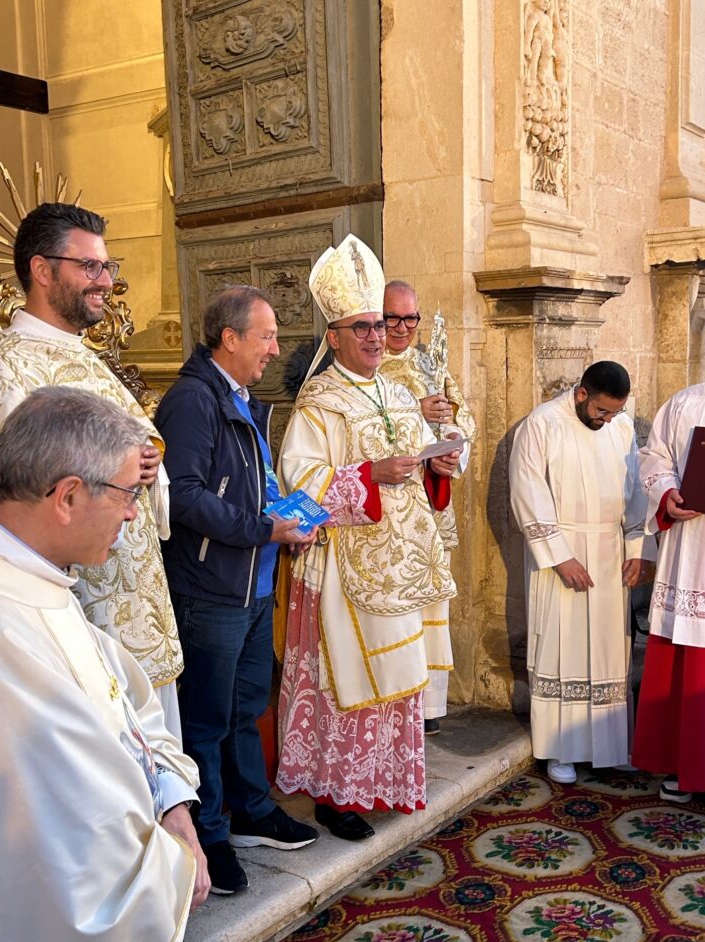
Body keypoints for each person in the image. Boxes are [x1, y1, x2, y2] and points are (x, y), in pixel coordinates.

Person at [0, 387, 209, 942]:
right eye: (128, 492)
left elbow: (125, 701)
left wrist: (174, 803)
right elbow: (72, 830)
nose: (135, 513)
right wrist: (174, 867)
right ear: (69, 496)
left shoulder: (33, 578)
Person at [0, 202, 184, 736]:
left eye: (107, 267)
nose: (105, 282)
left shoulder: (91, 361)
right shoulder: (3, 372)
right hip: (74, 618)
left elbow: (131, 460)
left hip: (136, 604)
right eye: (89, 267)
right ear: (42, 271)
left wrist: (149, 465)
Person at [275, 234, 462, 840]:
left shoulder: (396, 391)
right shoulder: (318, 402)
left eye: (380, 325)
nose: (377, 337)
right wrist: (366, 477)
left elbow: (414, 462)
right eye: (362, 328)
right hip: (341, 569)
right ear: (334, 336)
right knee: (349, 680)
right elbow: (297, 481)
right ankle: (337, 795)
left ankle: (382, 782)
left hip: (398, 567)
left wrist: (437, 465)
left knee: (395, 678)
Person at [154, 285, 319, 895]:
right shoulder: (193, 401)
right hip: (211, 588)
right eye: (267, 336)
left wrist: (284, 523)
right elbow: (185, 496)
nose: (275, 349)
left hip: (251, 583)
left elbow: (251, 480)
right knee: (206, 720)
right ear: (229, 339)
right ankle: (211, 832)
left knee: (246, 707)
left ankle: (250, 809)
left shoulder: (239, 397)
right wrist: (259, 529)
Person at [509, 361, 655, 783]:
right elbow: (527, 489)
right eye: (602, 411)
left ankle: (611, 747)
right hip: (562, 555)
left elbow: (635, 491)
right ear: (581, 394)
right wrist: (558, 555)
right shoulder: (541, 424)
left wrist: (637, 549)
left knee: (610, 652)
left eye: (615, 413)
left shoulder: (621, 427)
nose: (607, 420)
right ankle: (561, 751)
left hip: (610, 554)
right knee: (563, 644)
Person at [379, 279, 476, 733]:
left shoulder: (428, 363)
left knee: (433, 605)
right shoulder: (369, 368)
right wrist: (415, 412)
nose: (401, 328)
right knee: (400, 607)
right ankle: (399, 698)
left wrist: (453, 449)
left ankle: (430, 705)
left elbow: (462, 420)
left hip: (433, 509)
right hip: (393, 510)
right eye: (392, 318)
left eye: (410, 318)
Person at [632, 313, 705, 803]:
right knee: (693, 659)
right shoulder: (686, 403)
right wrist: (666, 494)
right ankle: (688, 768)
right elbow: (653, 457)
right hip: (696, 550)